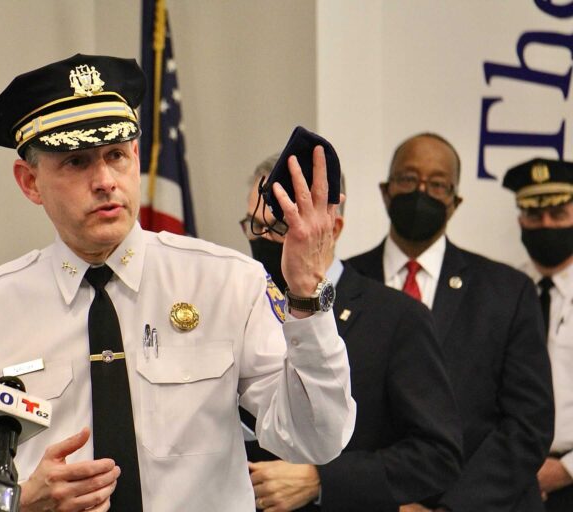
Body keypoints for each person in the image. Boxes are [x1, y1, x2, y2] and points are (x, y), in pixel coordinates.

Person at [0, 54, 356, 512]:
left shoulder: (226, 283)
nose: (104, 181)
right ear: (30, 182)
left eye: (116, 155)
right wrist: (13, 501)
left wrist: (306, 299)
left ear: (135, 157)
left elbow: (316, 438)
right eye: (76, 161)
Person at [347, 133, 555, 511]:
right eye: (408, 179)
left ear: (455, 202)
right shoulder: (342, 285)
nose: (421, 191)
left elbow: (527, 426)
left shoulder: (507, 292)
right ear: (385, 191)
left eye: (438, 184)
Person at [241, 155, 461, 511]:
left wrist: (321, 480)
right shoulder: (239, 308)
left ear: (334, 229)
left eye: (280, 228)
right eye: (255, 226)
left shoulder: (396, 318)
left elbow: (437, 455)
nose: (264, 239)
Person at [503, 158, 573, 512]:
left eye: (558, 214)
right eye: (534, 215)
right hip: (507, 481)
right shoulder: (500, 293)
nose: (546, 225)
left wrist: (566, 469)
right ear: (520, 221)